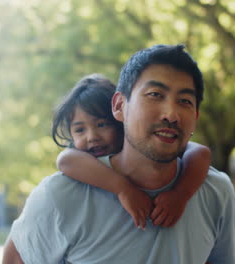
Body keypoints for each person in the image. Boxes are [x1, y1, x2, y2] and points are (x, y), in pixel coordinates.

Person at [3, 44, 235, 264]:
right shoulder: (61, 195)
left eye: (185, 101)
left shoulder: (215, 192)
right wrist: (123, 188)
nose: (171, 114)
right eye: (155, 94)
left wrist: (181, 193)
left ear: (195, 116)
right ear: (119, 106)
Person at [51, 74, 211, 229]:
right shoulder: (79, 159)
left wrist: (180, 195)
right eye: (79, 130)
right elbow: (65, 160)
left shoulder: (147, 149)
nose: (92, 137)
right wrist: (124, 189)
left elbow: (200, 152)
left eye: (101, 125)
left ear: (120, 118)